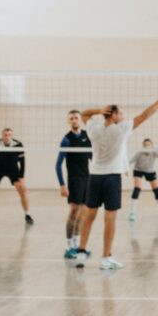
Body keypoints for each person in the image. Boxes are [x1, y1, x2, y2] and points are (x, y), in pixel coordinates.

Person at [75, 90, 158, 270]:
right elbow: (145, 115)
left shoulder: (93, 128)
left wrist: (99, 110)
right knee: (109, 219)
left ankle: (81, 252)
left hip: (95, 177)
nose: (123, 115)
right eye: (120, 112)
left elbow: (84, 114)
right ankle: (106, 258)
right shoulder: (122, 128)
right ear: (113, 116)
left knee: (89, 217)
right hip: (112, 178)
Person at [55, 109, 92, 259]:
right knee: (73, 212)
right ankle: (69, 246)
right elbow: (58, 165)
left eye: (76, 118)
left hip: (87, 178)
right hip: (74, 179)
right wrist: (62, 185)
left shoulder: (86, 136)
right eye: (71, 118)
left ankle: (77, 246)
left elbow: (92, 158)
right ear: (68, 121)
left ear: (80, 120)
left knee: (83, 214)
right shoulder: (66, 140)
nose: (74, 120)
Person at [128, 138, 158, 222]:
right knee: (137, 189)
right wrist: (125, 169)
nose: (147, 146)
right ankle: (132, 212)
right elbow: (131, 161)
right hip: (138, 170)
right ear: (143, 146)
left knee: (156, 189)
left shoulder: (154, 151)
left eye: (148, 145)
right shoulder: (139, 153)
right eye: (145, 145)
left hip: (150, 171)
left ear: (152, 146)